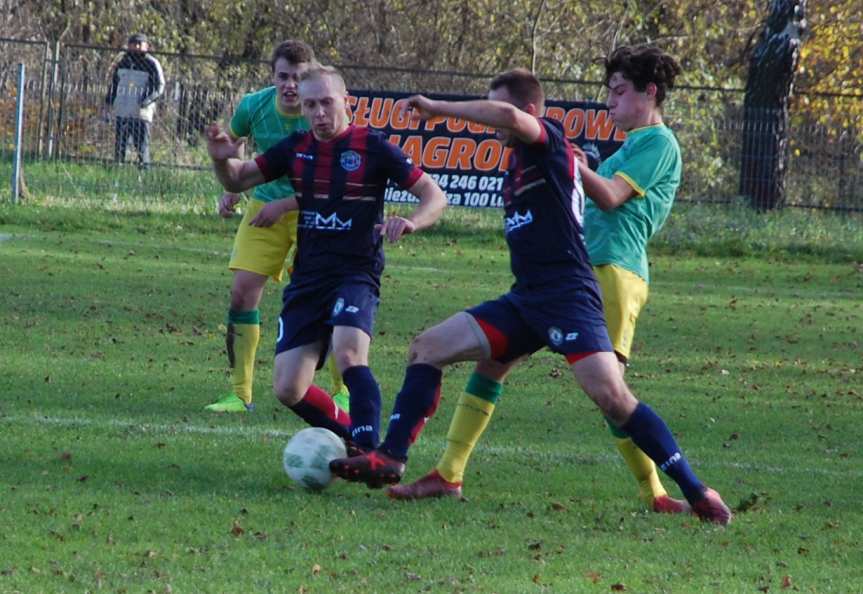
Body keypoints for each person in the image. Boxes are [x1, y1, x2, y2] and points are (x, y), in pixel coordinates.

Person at [329, 68, 732, 524]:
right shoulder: (517, 165)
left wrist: (438, 108)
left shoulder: (548, 141)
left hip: (568, 296)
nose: (498, 125)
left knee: (612, 398)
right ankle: (393, 457)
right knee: (427, 347)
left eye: (504, 115)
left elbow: (507, 116)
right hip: (526, 300)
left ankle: (696, 491)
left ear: (530, 113)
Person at [206, 66, 447, 449]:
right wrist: (221, 160)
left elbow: (434, 196)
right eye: (310, 105)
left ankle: (371, 450)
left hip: (356, 272)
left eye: (326, 103)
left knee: (350, 352)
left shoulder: (373, 147)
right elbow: (238, 179)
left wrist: (413, 222)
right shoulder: (297, 148)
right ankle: (352, 437)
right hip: (308, 278)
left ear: (345, 101)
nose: (319, 112)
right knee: (288, 388)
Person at [205, 40, 348, 414]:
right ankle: (240, 394)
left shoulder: (321, 114)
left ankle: (342, 389)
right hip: (263, 204)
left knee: (333, 298)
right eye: (283, 76)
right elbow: (232, 149)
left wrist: (285, 205)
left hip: (316, 211)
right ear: (272, 76)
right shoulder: (253, 105)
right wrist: (231, 190)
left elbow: (334, 182)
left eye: (299, 78)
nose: (290, 85)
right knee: (241, 293)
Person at [104, 33, 165, 168]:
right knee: (120, 146)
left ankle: (144, 173)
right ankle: (117, 171)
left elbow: (160, 86)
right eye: (133, 43)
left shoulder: (152, 63)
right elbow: (114, 85)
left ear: (146, 46)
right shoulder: (123, 62)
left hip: (141, 113)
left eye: (140, 44)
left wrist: (146, 101)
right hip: (122, 111)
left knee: (142, 147)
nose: (136, 47)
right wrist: (109, 102)